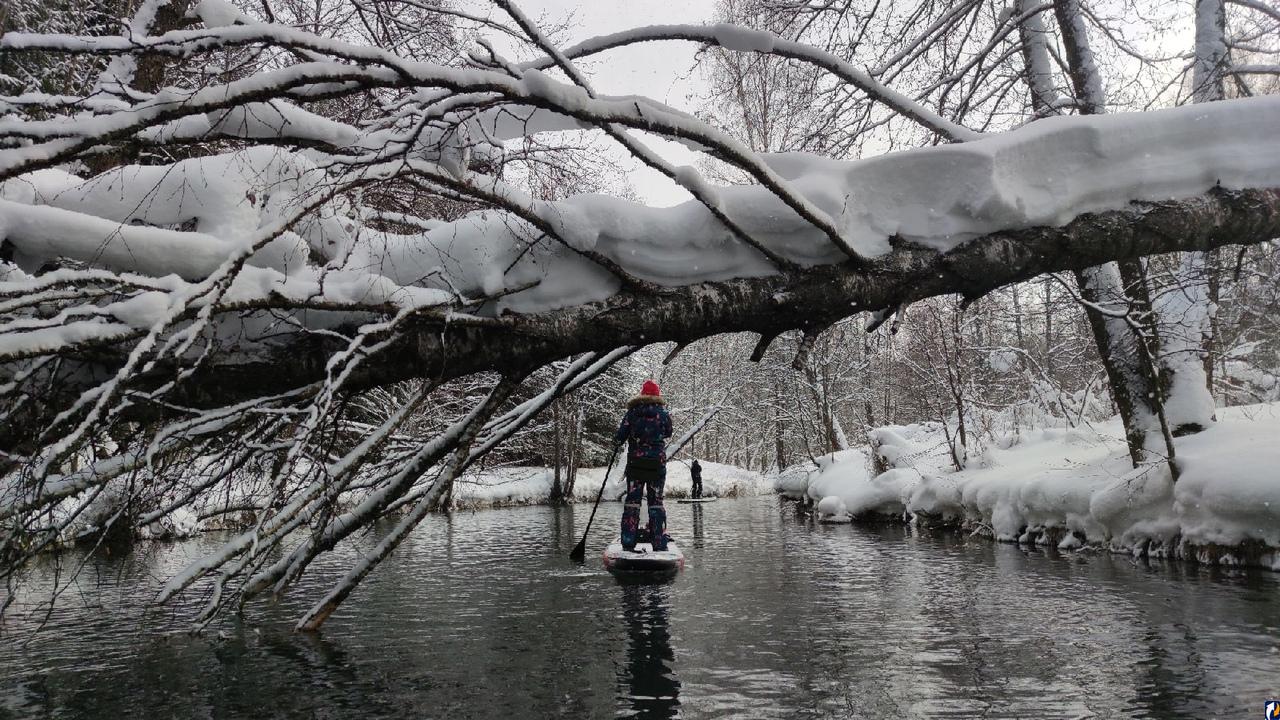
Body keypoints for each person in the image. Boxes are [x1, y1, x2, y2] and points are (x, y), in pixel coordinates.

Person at [613, 380, 673, 552]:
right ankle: (659, 543)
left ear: (642, 394)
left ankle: (628, 542)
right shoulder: (663, 413)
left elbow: (620, 436)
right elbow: (668, 432)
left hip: (636, 464)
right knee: (656, 503)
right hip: (656, 465)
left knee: (632, 502)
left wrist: (617, 441)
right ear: (657, 396)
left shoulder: (632, 413)